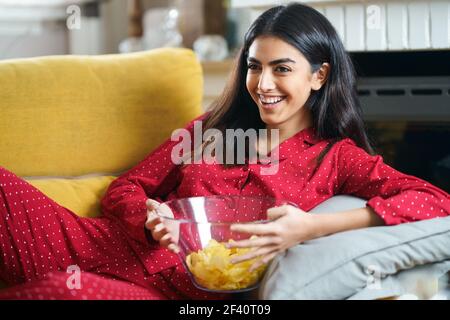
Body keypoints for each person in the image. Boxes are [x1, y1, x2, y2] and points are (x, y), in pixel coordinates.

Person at [0, 3, 449, 300]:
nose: (264, 83)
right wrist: (149, 218)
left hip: (177, 295)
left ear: (318, 76)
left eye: (282, 69)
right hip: (99, 244)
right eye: (255, 67)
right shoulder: (210, 129)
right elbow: (128, 187)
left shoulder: (337, 158)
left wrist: (312, 226)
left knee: (61, 291)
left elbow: (435, 202)